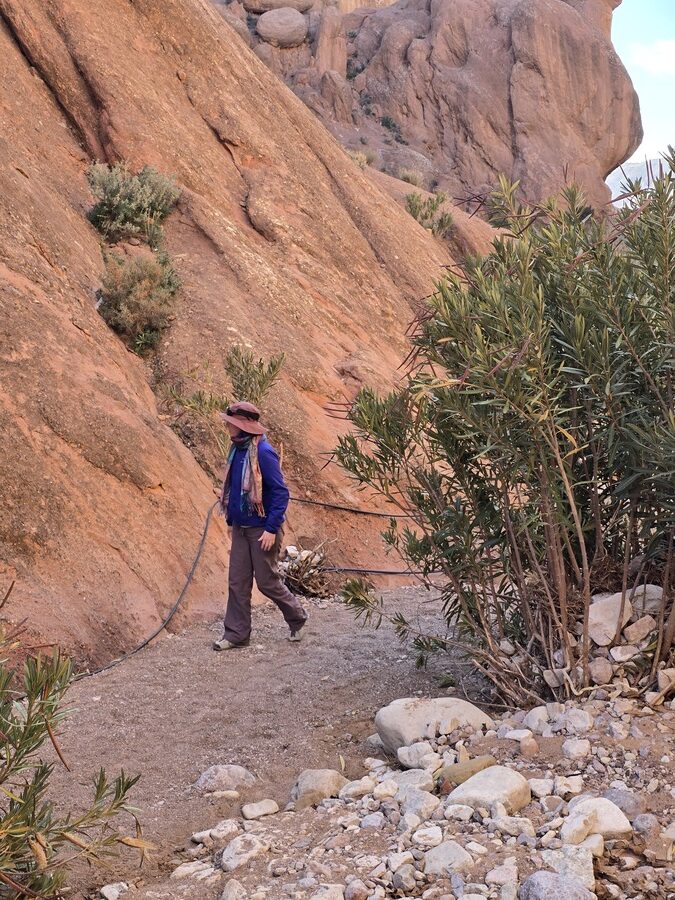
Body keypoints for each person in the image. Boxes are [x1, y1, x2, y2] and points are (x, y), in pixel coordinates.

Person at [213, 401, 308, 650]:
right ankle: (236, 634)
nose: (228, 427)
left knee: (267, 582)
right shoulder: (237, 450)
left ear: (244, 426)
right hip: (241, 528)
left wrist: (271, 529)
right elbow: (238, 490)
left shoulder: (264, 452)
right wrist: (231, 517)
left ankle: (297, 617)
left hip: (262, 529)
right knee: (237, 582)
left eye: (232, 423)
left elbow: (280, 493)